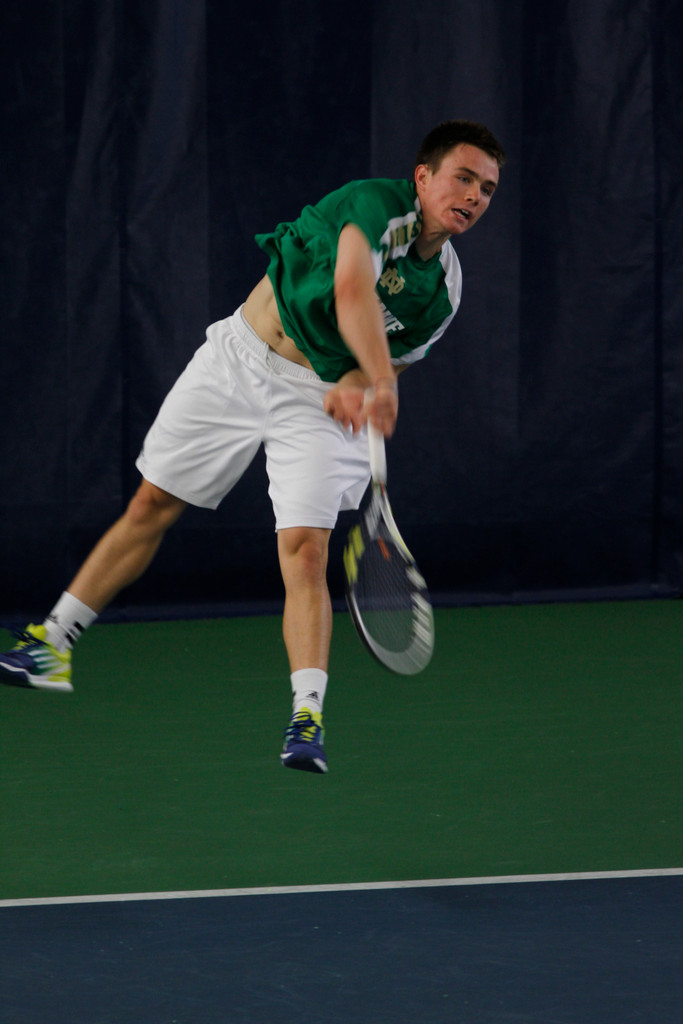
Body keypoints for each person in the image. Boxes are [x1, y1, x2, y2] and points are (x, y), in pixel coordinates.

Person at [0, 119, 505, 773]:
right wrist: (379, 379)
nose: (474, 196)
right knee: (151, 504)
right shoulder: (374, 206)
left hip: (316, 403)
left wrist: (360, 381)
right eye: (463, 178)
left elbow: (398, 356)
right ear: (423, 177)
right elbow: (351, 289)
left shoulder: (444, 290)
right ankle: (52, 644)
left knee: (306, 551)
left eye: (487, 189)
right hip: (239, 359)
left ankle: (306, 720)